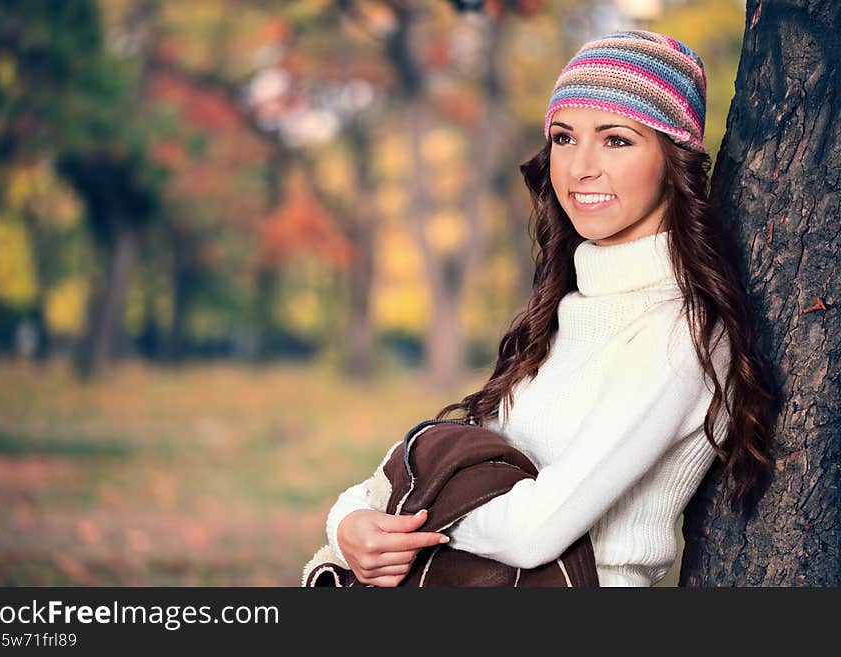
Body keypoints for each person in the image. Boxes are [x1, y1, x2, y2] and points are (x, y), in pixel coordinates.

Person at [323, 29, 778, 587]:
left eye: (616, 140)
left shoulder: (680, 331)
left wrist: (404, 515)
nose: (580, 167)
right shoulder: (563, 311)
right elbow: (462, 463)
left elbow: (532, 531)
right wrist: (349, 523)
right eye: (564, 138)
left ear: (672, 158)